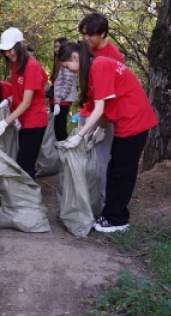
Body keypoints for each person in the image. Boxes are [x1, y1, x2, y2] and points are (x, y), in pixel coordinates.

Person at [57, 41, 158, 233]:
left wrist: (79, 135)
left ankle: (117, 220)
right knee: (114, 168)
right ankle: (110, 214)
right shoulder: (96, 66)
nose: (69, 71)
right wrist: (100, 128)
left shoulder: (99, 66)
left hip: (134, 120)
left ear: (74, 57)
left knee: (122, 172)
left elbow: (99, 108)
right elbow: (106, 103)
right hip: (124, 121)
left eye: (66, 66)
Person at [0, 27, 48, 180]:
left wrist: (4, 123)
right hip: (22, 120)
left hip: (34, 121)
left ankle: (29, 202)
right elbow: (18, 94)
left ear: (20, 45)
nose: (7, 54)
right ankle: (24, 200)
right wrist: (7, 101)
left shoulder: (32, 66)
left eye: (10, 49)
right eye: (5, 51)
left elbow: (27, 102)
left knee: (25, 165)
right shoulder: (16, 64)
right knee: (22, 162)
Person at [77, 12, 124, 201]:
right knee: (84, 157)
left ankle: (104, 201)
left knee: (102, 159)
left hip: (103, 115)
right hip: (86, 109)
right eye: (83, 34)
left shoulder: (113, 56)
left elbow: (109, 99)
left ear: (103, 33)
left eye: (90, 35)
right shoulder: (85, 49)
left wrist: (102, 127)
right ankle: (86, 198)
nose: (86, 38)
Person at [50, 37, 77, 141]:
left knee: (60, 129)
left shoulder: (67, 62)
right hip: (56, 100)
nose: (56, 49)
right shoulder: (57, 62)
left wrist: (58, 101)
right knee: (56, 128)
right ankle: (60, 151)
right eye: (55, 47)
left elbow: (67, 84)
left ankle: (66, 151)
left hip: (62, 101)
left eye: (59, 47)